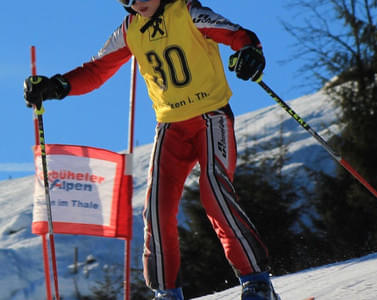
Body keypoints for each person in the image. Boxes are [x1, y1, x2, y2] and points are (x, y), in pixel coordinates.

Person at [24, 1, 281, 299]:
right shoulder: (131, 29)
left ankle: (257, 282)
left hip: (211, 118)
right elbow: (97, 69)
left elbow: (238, 35)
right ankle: (166, 292)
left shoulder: (187, 12)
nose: (136, 3)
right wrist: (58, 86)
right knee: (157, 212)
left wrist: (249, 52)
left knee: (215, 195)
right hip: (171, 127)